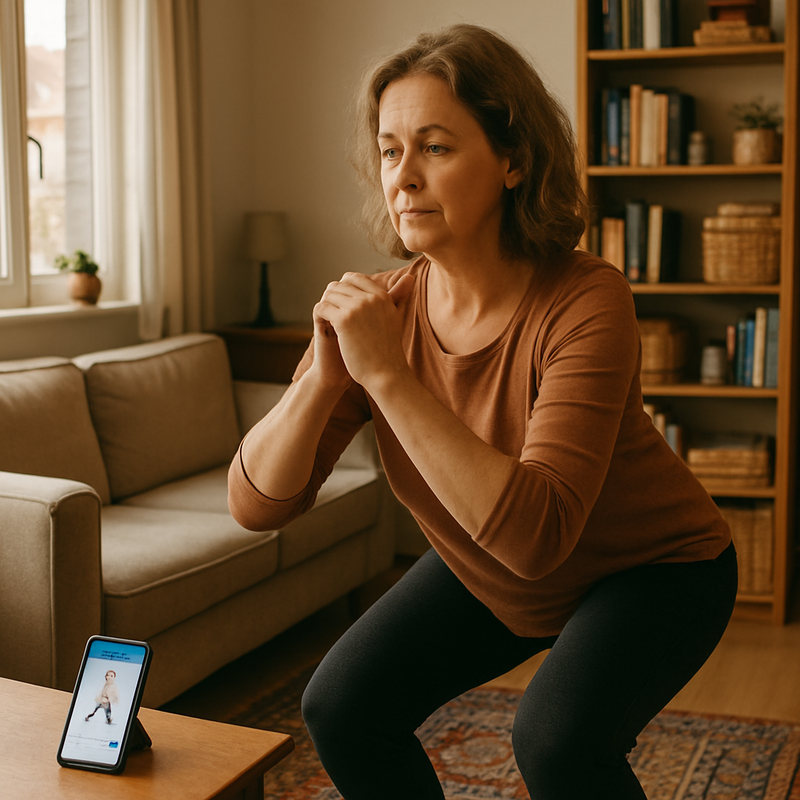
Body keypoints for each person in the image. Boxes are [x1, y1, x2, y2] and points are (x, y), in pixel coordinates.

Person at [227, 23, 737, 800]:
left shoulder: (585, 298)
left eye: (435, 147)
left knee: (556, 742)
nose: (403, 178)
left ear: (513, 160)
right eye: (390, 151)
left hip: (658, 569)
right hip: (493, 565)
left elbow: (537, 538)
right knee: (344, 707)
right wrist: (322, 381)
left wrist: (386, 376)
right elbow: (255, 506)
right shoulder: (382, 312)